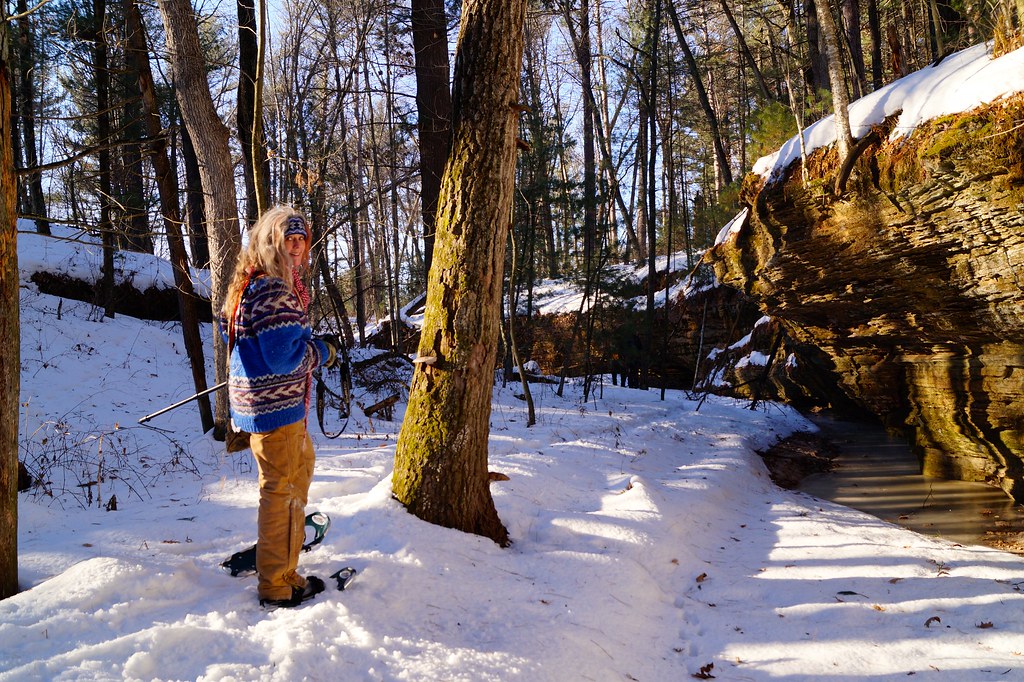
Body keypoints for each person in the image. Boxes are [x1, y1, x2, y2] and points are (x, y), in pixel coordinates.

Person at [221, 205, 337, 608]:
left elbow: (236, 336)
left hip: (265, 406)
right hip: (277, 408)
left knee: (296, 474)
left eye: (301, 239)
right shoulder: (274, 288)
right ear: (270, 241)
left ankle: (280, 560)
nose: (296, 246)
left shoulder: (250, 283)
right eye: (288, 238)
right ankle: (278, 582)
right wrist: (321, 351)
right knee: (283, 493)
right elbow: (283, 357)